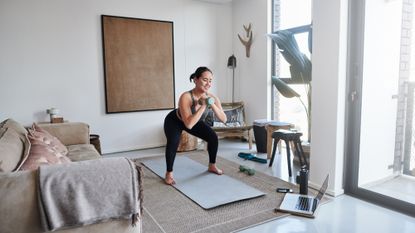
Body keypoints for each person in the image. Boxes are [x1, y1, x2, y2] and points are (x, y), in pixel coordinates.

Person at [163, 66, 227, 185]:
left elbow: (224, 119)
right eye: (204, 79)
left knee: (213, 137)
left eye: (210, 80)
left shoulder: (212, 98)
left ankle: (212, 166)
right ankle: (169, 173)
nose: (208, 83)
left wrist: (211, 104)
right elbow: (189, 124)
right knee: (173, 142)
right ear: (196, 80)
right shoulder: (186, 97)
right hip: (175, 121)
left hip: (194, 121)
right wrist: (203, 105)